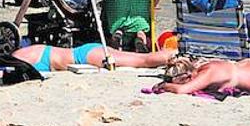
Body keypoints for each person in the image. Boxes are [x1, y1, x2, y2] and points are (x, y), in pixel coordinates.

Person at [13, 43, 176, 73]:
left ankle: (174, 53)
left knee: (142, 61)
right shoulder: (24, 52)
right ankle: (174, 52)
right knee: (139, 59)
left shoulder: (20, 59)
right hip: (85, 52)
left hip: (84, 58)